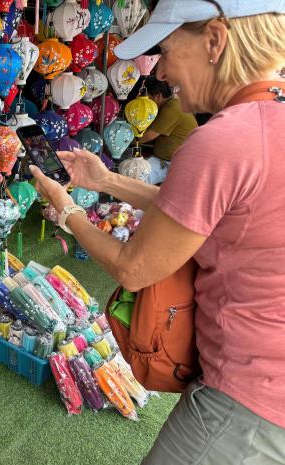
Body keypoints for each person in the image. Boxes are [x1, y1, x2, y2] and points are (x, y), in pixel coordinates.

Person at [29, 1, 285, 464]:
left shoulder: (223, 140)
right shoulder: (269, 122)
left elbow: (134, 269)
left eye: (166, 50)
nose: (161, 71)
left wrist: (68, 212)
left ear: (215, 40)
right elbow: (202, 211)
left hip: (248, 398)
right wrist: (105, 181)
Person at [138, 76, 198, 184]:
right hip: (164, 161)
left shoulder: (173, 108)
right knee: (137, 177)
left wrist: (125, 141)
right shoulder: (169, 105)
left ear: (158, 96)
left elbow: (149, 135)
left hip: (172, 164)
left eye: (148, 98)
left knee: (137, 178)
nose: (146, 102)